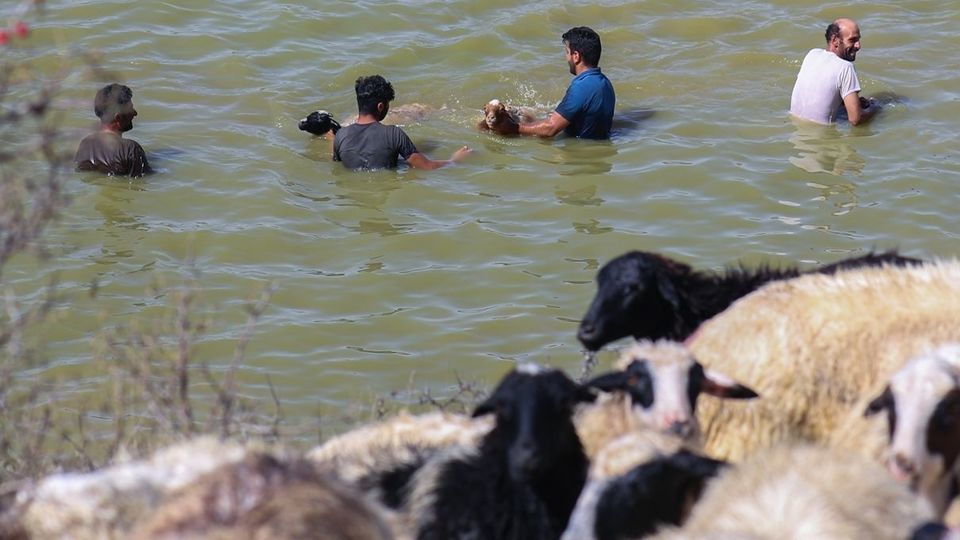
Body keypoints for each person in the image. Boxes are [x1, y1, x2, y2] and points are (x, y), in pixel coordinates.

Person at [497, 26, 616, 140]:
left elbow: (550, 129)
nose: (566, 58)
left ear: (576, 56)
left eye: (567, 52)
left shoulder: (581, 87)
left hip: (578, 155)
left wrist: (513, 127)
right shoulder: (605, 83)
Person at [331, 75, 471, 170]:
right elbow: (427, 167)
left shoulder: (341, 136)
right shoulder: (393, 134)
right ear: (381, 106)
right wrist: (454, 160)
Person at [790, 18, 878, 126]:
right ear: (835, 40)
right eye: (852, 40)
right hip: (822, 138)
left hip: (796, 131)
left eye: (858, 40)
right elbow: (856, 120)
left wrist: (850, 103)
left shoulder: (812, 54)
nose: (858, 46)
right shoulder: (846, 67)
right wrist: (875, 107)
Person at [74, 83, 151, 177]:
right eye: (131, 109)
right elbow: (144, 182)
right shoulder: (130, 149)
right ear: (118, 118)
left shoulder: (85, 144)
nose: (135, 113)